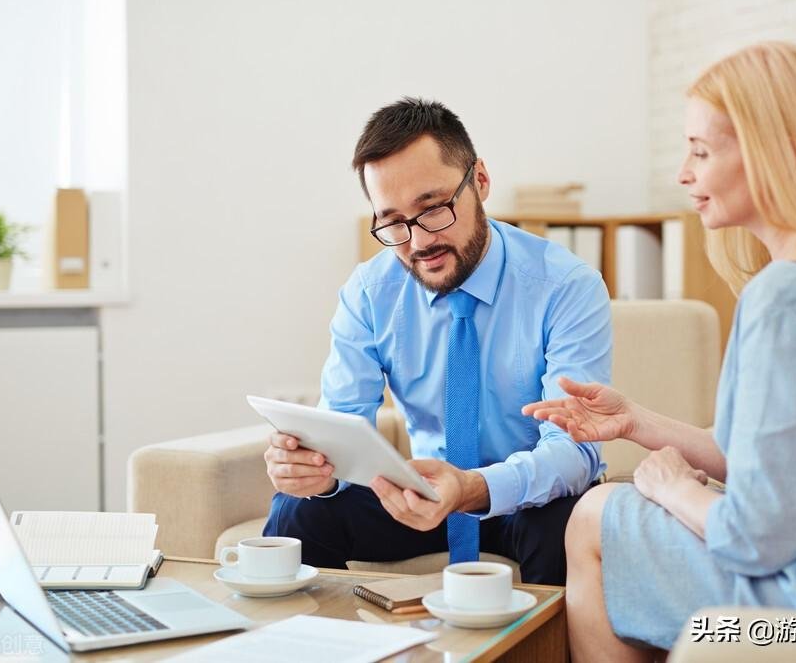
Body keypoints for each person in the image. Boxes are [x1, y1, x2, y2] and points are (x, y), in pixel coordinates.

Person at [524, 41, 796, 659]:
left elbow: (757, 539)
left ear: (776, 154)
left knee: (596, 516)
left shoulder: (787, 297)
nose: (684, 174)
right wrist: (636, 424)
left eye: (701, 152)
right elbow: (776, 465)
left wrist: (676, 489)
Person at [262, 97, 612, 585]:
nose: (419, 242)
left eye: (433, 209)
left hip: (530, 498)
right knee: (299, 513)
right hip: (424, 493)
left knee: (567, 522)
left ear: (481, 181)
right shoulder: (370, 293)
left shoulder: (566, 286)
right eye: (393, 222)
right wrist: (316, 473)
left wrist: (473, 487)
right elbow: (343, 428)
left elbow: (574, 452)